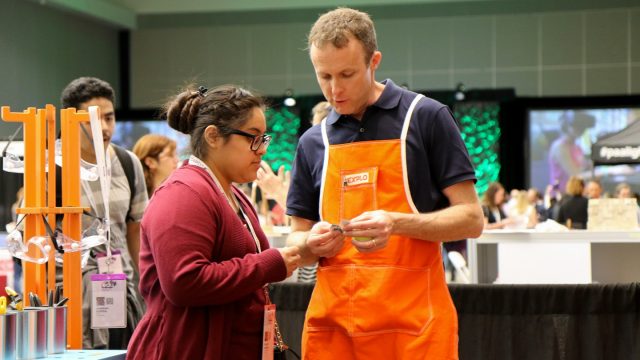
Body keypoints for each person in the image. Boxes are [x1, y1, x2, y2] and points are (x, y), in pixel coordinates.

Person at [285, 8, 483, 359]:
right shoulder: (314, 142)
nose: (335, 89)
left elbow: (471, 219)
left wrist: (397, 222)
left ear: (374, 61)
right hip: (335, 331)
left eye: (347, 73)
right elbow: (296, 236)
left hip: (414, 328)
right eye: (324, 76)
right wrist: (311, 243)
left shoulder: (425, 118)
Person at [127, 84, 300, 360]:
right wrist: (272, 262)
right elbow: (184, 282)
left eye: (263, 138)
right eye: (253, 138)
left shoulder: (230, 193)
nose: (262, 150)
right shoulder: (183, 193)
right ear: (213, 137)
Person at [60, 77, 149, 349]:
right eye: (92, 120)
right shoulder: (52, 164)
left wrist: (145, 287)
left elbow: (136, 229)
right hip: (70, 295)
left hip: (123, 290)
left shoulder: (127, 162)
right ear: (71, 121)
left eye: (109, 118)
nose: (104, 127)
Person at [548, 111, 595, 191]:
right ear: (567, 125)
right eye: (577, 126)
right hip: (562, 194)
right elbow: (575, 174)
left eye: (583, 127)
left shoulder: (577, 147)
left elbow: (586, 167)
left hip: (576, 193)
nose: (580, 130)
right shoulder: (560, 147)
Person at [132, 134, 180, 198]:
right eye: (170, 155)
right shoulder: (136, 197)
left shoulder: (177, 192)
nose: (176, 160)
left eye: (175, 155)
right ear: (150, 162)